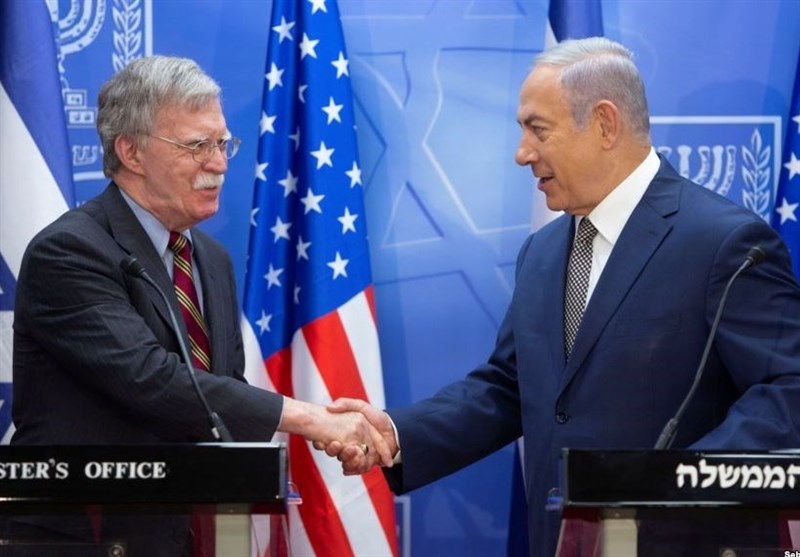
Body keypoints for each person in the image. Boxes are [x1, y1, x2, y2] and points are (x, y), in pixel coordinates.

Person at [322, 37, 800, 556]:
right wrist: (398, 434)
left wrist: (679, 485)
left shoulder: (724, 243)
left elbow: (788, 385)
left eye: (538, 129)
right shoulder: (543, 252)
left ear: (604, 124)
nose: (522, 153)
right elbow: (509, 388)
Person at [9, 55, 389, 556]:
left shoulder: (209, 259)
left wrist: (320, 426)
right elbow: (150, 379)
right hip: (86, 539)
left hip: (190, 537)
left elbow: (222, 396)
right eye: (196, 146)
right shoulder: (70, 251)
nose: (219, 164)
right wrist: (314, 419)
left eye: (222, 143)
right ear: (131, 151)